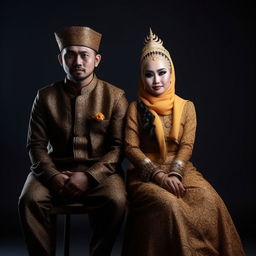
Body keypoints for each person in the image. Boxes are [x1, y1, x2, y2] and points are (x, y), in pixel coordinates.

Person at [122, 29, 245, 256]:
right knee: (171, 206)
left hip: (181, 169)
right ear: (141, 77)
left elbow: (186, 146)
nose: (157, 80)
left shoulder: (186, 107)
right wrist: (158, 176)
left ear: (172, 73)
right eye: (149, 75)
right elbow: (130, 148)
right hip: (145, 174)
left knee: (210, 201)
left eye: (162, 73)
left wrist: (175, 174)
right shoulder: (135, 109)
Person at [18, 26, 128, 256]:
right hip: (54, 169)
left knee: (117, 200)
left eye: (84, 54)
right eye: (70, 54)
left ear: (96, 60)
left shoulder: (115, 97)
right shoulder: (45, 96)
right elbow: (36, 145)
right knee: (29, 200)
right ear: (61, 59)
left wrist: (89, 177)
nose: (77, 61)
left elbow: (118, 149)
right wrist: (53, 176)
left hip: (101, 173)